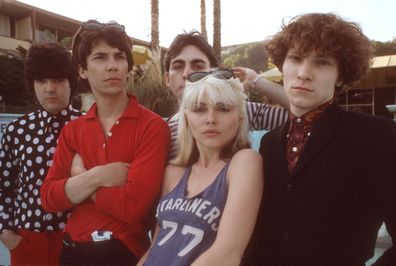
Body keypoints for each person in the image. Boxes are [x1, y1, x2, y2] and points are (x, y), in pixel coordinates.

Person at [244, 13, 396, 266]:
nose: (304, 73)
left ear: (342, 75)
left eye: (322, 62)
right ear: (282, 64)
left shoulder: (378, 136)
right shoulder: (269, 143)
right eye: (295, 58)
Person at [40, 20, 170, 265]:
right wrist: (96, 176)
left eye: (119, 57)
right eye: (100, 57)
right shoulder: (72, 131)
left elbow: (134, 208)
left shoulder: (152, 126)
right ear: (82, 70)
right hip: (71, 250)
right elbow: (49, 198)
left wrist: (79, 182)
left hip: (122, 251)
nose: (113, 66)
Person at [137, 70, 263, 266]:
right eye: (199, 109)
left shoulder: (243, 163)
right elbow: (156, 246)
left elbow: (227, 254)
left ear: (239, 117)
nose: (211, 119)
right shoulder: (173, 173)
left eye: (223, 108)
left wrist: (259, 81)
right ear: (186, 118)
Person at [0, 43, 82, 265]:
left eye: (57, 80)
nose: (49, 88)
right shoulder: (17, 130)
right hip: (26, 239)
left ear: (70, 82)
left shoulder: (88, 125)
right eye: (41, 80)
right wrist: (5, 231)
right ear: (32, 83)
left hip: (77, 240)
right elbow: (3, 185)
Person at [163, 31, 289, 157]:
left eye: (198, 66)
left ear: (214, 73)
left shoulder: (238, 111)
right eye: (178, 66)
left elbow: (303, 116)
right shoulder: (161, 131)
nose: (186, 74)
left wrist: (257, 82)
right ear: (167, 79)